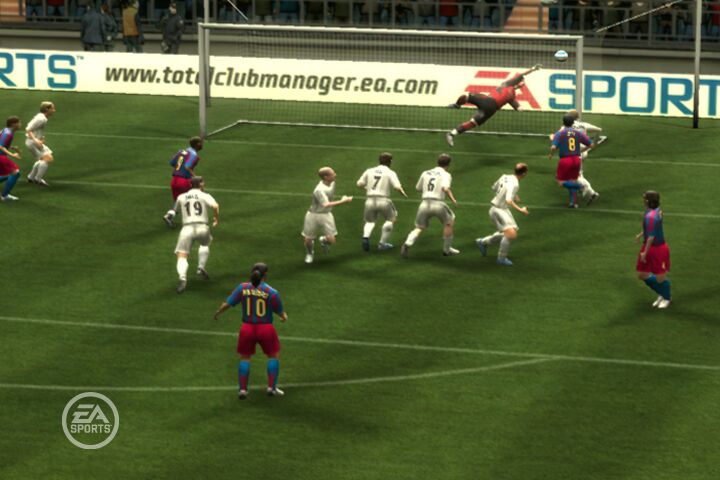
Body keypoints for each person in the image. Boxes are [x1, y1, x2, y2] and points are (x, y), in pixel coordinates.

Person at [214, 262, 288, 399]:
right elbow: (280, 311)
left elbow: (228, 303)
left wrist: (218, 312)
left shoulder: (242, 288)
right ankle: (271, 388)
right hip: (265, 329)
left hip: (247, 328)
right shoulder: (272, 292)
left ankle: (242, 390)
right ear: (265, 275)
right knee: (273, 356)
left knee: (245, 357)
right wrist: (284, 317)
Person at [445, 64, 541, 147]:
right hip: (490, 107)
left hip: (489, 104)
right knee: (472, 121)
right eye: (522, 81)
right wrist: (533, 69)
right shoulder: (509, 88)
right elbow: (522, 75)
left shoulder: (511, 95)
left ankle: (455, 113)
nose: (523, 83)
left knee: (469, 106)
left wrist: (522, 109)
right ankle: (452, 132)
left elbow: (519, 108)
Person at [400, 153, 459, 258]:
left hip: (424, 204)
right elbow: (445, 188)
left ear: (437, 162)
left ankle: (408, 243)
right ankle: (446, 250)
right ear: (448, 164)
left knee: (419, 227)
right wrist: (453, 199)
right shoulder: (446, 175)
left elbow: (418, 188)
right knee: (449, 223)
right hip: (438, 204)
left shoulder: (425, 173)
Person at [475, 163, 529, 266]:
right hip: (498, 210)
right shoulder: (515, 184)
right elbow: (508, 200)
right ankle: (501, 258)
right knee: (511, 234)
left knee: (510, 233)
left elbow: (494, 188)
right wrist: (521, 210)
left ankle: (483, 242)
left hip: (502, 209)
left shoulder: (505, 176)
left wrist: (514, 195)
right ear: (524, 173)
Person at [173, 176, 219, 294]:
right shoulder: (205, 195)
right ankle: (201, 267)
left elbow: (175, 210)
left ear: (190, 185)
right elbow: (215, 206)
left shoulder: (181, 197)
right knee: (205, 244)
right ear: (201, 184)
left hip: (187, 228)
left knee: (182, 255)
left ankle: (182, 277)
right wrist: (216, 219)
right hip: (202, 227)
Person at [356, 152, 408, 252]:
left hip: (370, 200)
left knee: (369, 221)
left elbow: (359, 184)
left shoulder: (369, 171)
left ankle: (366, 237)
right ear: (390, 161)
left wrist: (367, 188)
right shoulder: (390, 173)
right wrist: (403, 192)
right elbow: (397, 187)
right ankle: (382, 243)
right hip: (384, 200)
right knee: (391, 219)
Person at [302, 167, 353, 264]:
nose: (335, 175)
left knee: (331, 240)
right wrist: (344, 201)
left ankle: (323, 240)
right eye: (333, 174)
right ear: (326, 177)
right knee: (308, 239)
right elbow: (326, 204)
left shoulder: (332, 183)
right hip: (313, 215)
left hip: (326, 215)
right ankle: (309, 253)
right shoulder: (319, 190)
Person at [548, 113, 595, 208]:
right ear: (573, 123)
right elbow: (591, 145)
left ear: (563, 123)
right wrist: (581, 150)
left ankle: (581, 187)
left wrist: (551, 154)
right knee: (572, 180)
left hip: (565, 160)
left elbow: (553, 147)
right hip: (577, 160)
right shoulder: (578, 133)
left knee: (560, 182)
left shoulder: (560, 133)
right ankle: (573, 203)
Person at [635, 191, 671, 309]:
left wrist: (645, 253)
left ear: (647, 201)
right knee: (642, 274)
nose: (642, 200)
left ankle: (666, 297)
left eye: (644, 198)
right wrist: (640, 235)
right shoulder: (655, 211)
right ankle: (662, 291)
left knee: (660, 278)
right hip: (648, 245)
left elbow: (651, 237)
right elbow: (652, 228)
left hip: (658, 249)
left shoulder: (651, 216)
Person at [163, 136, 203, 227]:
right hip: (184, 181)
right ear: (197, 144)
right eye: (201, 143)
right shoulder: (194, 155)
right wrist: (196, 177)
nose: (202, 145)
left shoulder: (181, 151)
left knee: (179, 202)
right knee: (193, 199)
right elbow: (187, 167)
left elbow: (172, 163)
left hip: (174, 180)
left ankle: (169, 216)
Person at [25, 101, 56, 187]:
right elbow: (28, 129)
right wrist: (36, 140)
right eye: (52, 108)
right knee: (48, 158)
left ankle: (31, 177)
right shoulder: (41, 119)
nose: (54, 110)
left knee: (44, 158)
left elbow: (37, 129)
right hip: (33, 142)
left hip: (34, 141)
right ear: (47, 109)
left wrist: (41, 138)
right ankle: (38, 179)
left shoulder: (42, 117)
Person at [0, 116, 22, 202]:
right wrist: (12, 154)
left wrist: (11, 147)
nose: (20, 124)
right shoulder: (8, 134)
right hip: (1, 157)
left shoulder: (5, 130)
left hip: (2, 156)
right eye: (19, 122)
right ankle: (4, 196)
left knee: (7, 174)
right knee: (15, 173)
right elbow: (0, 146)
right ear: (13, 124)